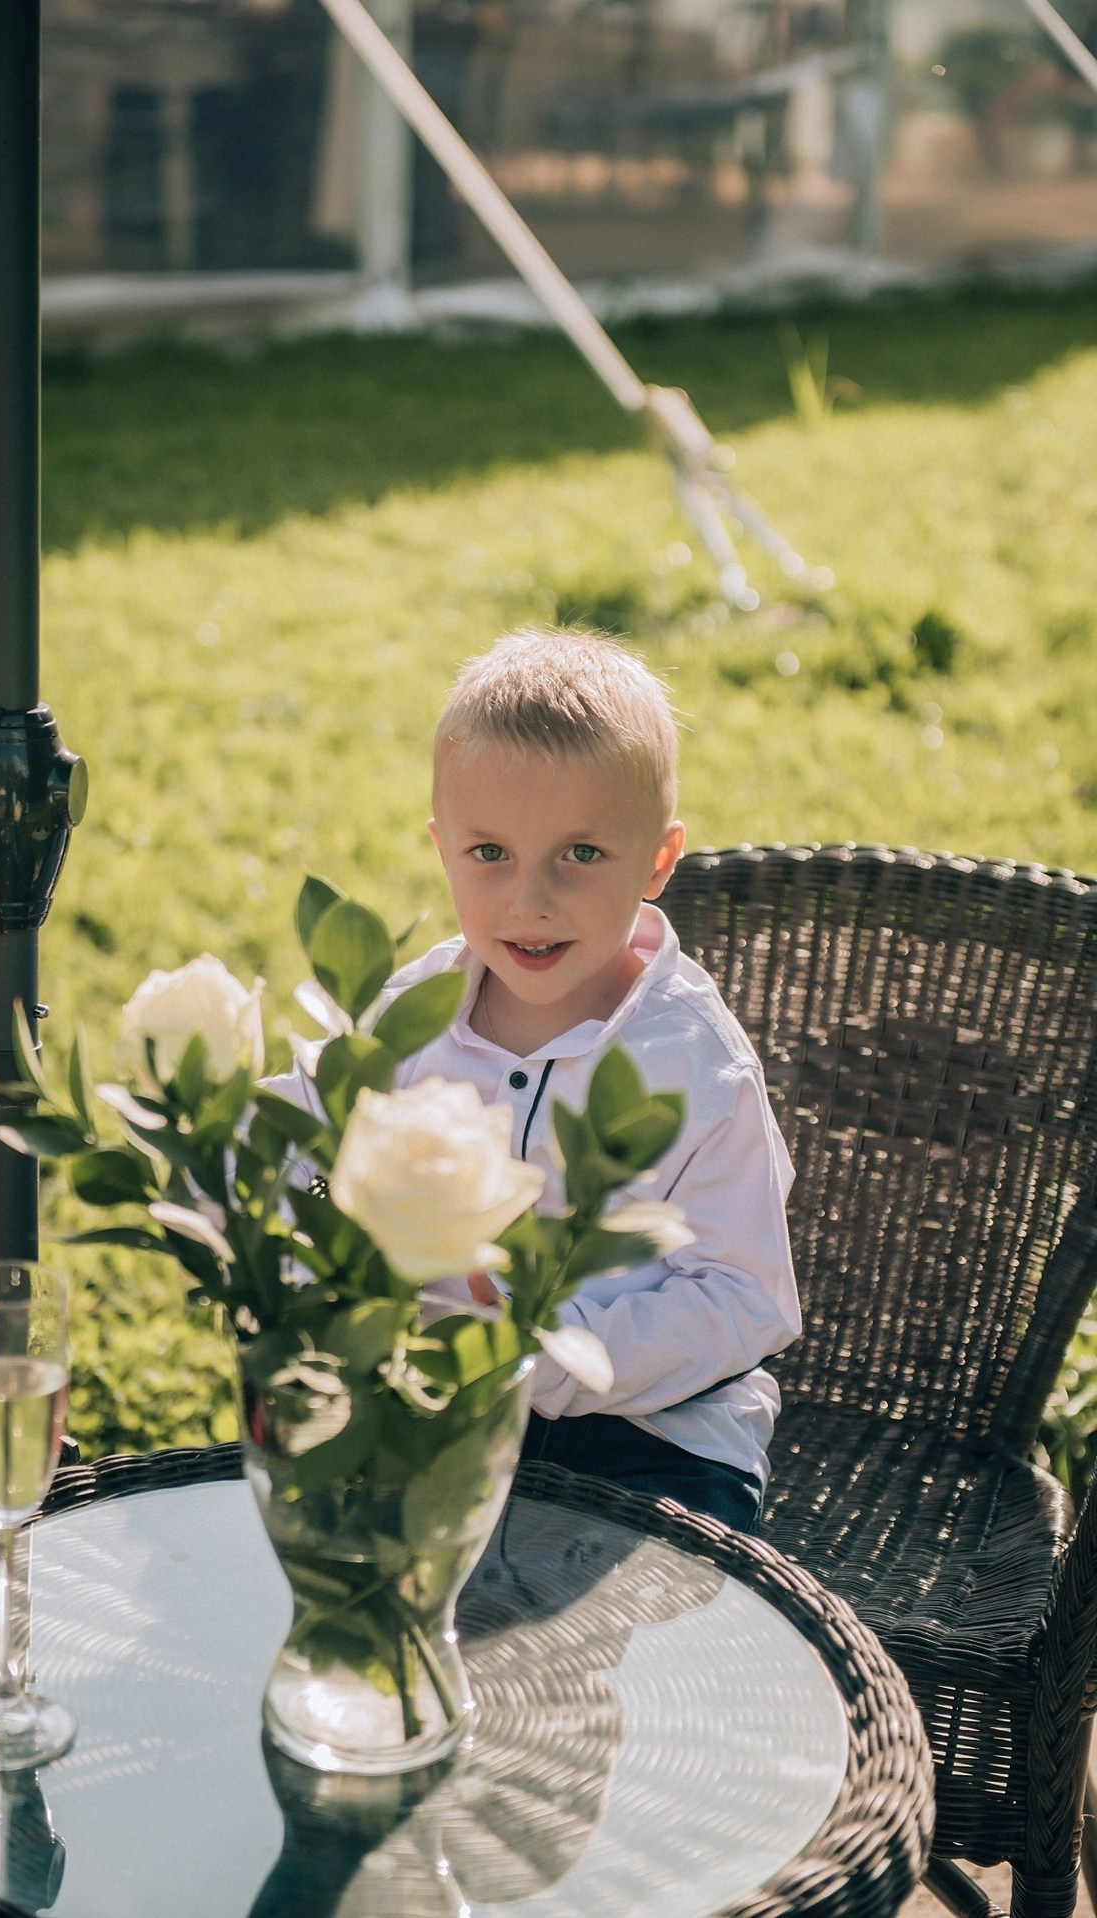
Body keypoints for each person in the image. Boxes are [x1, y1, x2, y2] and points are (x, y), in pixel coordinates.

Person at [290, 627, 800, 1531]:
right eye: (491, 855)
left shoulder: (697, 1066)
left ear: (657, 861)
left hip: (657, 1437)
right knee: (335, 1559)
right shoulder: (407, 1019)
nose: (530, 901)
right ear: (442, 846)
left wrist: (547, 1358)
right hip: (434, 1406)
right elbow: (301, 1140)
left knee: (624, 1630)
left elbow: (744, 1298)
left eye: (581, 854)